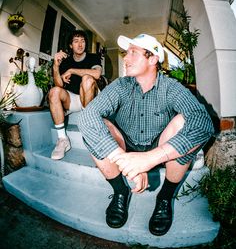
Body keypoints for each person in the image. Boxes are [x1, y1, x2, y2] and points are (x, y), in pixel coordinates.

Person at [77, 33, 214, 236]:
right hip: (126, 144)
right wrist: (127, 162)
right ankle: (120, 192)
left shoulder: (171, 87)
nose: (126, 58)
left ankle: (165, 198)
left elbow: (204, 123)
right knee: (96, 125)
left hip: (160, 148)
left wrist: (149, 159)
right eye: (126, 52)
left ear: (153, 59)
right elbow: (87, 117)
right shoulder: (121, 86)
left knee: (184, 122)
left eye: (133, 52)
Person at [49, 29, 102, 160]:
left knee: (87, 79)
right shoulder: (66, 61)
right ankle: (62, 139)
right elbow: (59, 85)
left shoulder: (93, 57)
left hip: (90, 98)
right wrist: (56, 66)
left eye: (83, 41)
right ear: (70, 45)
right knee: (54, 91)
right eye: (76, 41)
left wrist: (72, 70)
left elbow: (97, 74)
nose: (80, 44)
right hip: (73, 100)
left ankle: (88, 124)